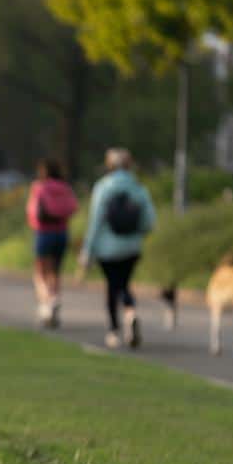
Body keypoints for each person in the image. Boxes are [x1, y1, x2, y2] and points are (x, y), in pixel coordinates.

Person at [78, 148, 156, 349]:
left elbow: (95, 222)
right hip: (132, 247)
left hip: (107, 248)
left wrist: (87, 251)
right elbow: (149, 221)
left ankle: (114, 330)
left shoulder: (103, 187)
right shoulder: (138, 187)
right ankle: (131, 313)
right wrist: (136, 234)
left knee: (113, 286)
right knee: (124, 283)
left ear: (109, 166)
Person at [26, 159, 77, 328]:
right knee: (55, 272)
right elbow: (73, 208)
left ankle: (46, 304)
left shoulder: (39, 187)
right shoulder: (65, 187)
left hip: (44, 233)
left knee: (40, 272)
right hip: (61, 233)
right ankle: (55, 298)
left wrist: (34, 224)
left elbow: (32, 211)